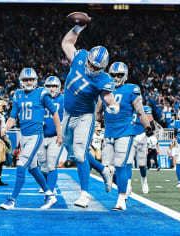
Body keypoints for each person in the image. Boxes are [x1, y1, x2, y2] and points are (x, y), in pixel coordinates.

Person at [61, 24, 120, 208]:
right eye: (90, 62)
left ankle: (85, 194)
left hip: (84, 117)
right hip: (67, 113)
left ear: (102, 68)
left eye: (95, 66)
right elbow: (67, 43)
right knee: (75, 154)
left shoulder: (103, 79)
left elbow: (110, 100)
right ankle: (103, 170)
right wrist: (77, 28)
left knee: (79, 154)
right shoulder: (80, 58)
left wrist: (113, 108)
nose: (90, 67)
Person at [0, 68, 62, 210]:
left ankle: (12, 200)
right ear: (21, 81)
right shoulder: (18, 94)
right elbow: (13, 116)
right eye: (26, 80)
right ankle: (50, 195)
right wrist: (6, 128)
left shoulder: (41, 93)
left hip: (36, 135)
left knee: (21, 166)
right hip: (24, 135)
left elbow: (55, 113)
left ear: (35, 80)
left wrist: (59, 133)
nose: (29, 82)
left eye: (31, 79)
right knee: (33, 168)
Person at [97, 62, 153, 211]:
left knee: (121, 166)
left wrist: (148, 128)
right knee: (107, 168)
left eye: (119, 75)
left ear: (125, 75)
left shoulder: (131, 89)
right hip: (108, 132)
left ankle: (122, 198)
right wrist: (95, 126)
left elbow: (140, 111)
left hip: (125, 132)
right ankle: (121, 188)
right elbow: (97, 112)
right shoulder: (104, 90)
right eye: (113, 75)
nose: (116, 78)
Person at [37, 76, 64, 194]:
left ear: (59, 87)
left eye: (54, 86)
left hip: (55, 136)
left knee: (52, 163)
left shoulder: (63, 99)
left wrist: (62, 133)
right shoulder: (41, 98)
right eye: (49, 86)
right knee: (43, 165)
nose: (51, 89)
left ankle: (51, 189)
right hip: (42, 135)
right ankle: (46, 185)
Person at [127, 105, 154, 195]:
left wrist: (143, 135)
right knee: (128, 162)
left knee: (142, 165)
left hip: (141, 140)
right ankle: (128, 185)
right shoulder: (128, 108)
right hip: (130, 139)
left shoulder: (145, 109)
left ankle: (144, 180)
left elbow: (152, 127)